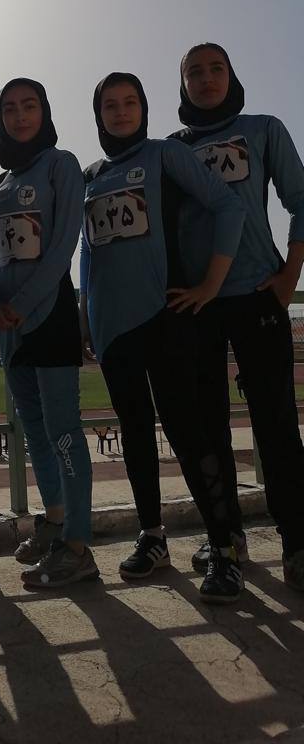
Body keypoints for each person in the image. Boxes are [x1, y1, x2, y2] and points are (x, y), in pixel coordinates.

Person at [79, 72, 248, 603]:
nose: (120, 111)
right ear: (98, 115)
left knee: (188, 434)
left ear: (145, 108)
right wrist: (87, 317)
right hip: (112, 328)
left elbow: (229, 206)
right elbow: (88, 252)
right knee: (134, 433)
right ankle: (152, 537)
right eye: (110, 105)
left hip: (166, 317)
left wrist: (211, 284)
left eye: (130, 102)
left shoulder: (165, 155)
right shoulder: (90, 174)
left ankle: (223, 548)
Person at [170, 42, 304, 591]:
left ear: (231, 75)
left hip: (257, 294)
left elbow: (301, 199)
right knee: (208, 428)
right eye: (194, 72)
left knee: (277, 425)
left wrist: (290, 273)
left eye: (216, 69)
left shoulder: (264, 129)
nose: (206, 79)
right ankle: (225, 539)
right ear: (182, 84)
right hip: (196, 306)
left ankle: (297, 543)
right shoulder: (172, 149)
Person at [0, 79, 97, 588]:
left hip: (48, 318)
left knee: (64, 431)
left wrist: (23, 305)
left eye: (30, 106)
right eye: (10, 108)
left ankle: (78, 547)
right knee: (33, 430)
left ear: (45, 112)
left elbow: (63, 246)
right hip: (9, 326)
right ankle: (54, 521)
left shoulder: (61, 165)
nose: (20, 116)